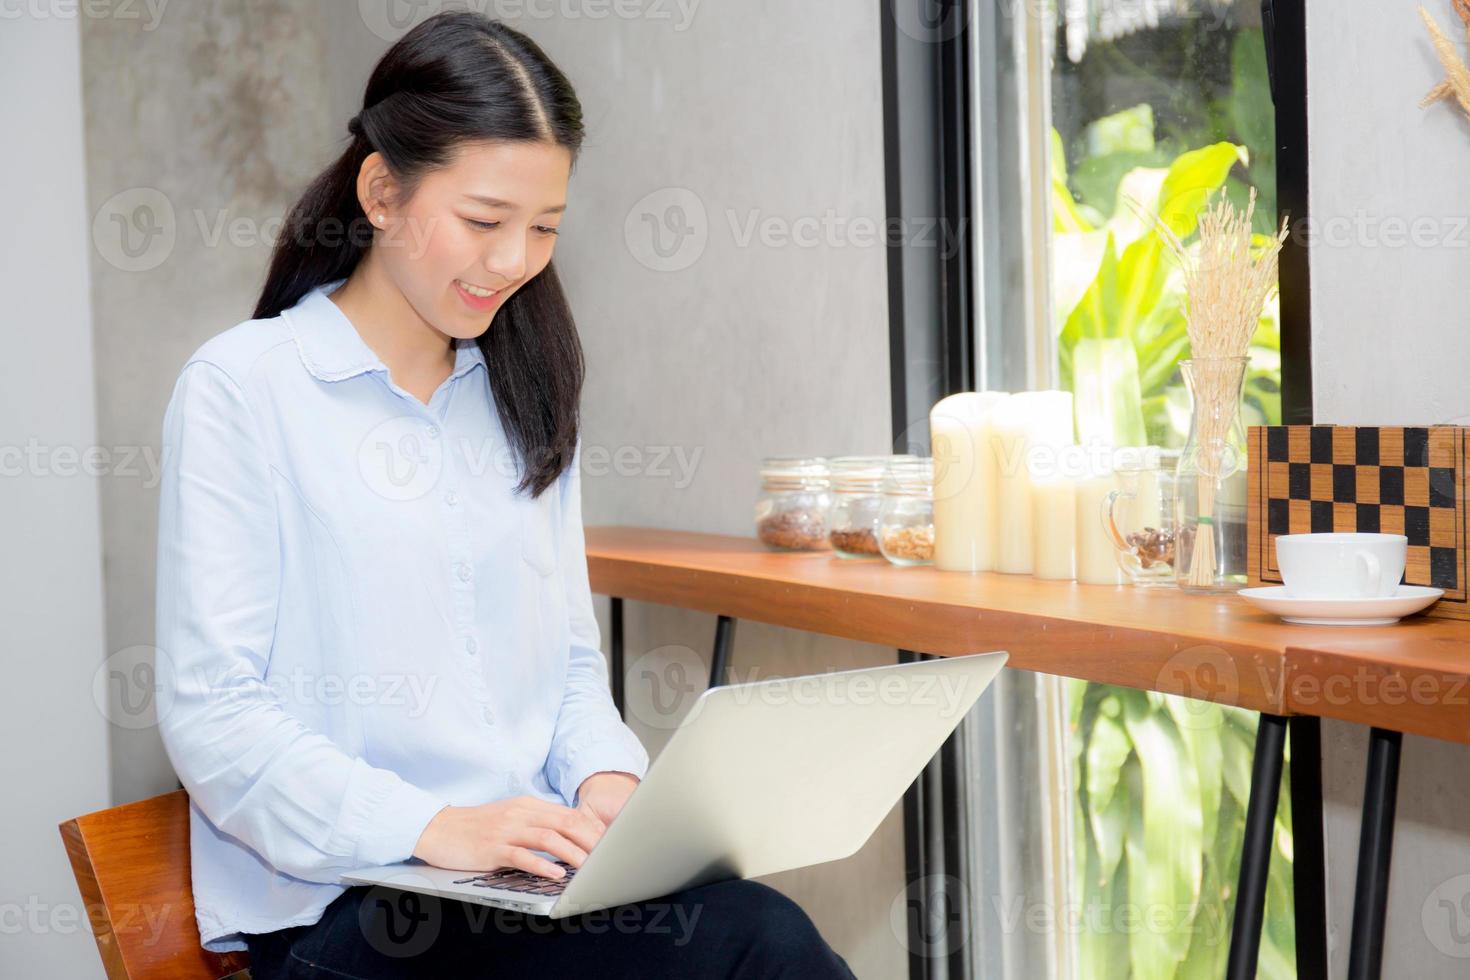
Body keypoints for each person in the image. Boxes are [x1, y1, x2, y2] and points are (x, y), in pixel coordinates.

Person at [154, 11, 856, 978]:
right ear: (381, 190)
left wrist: (611, 783)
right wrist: (436, 825)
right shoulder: (245, 389)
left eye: (544, 229)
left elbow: (566, 667)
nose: (513, 261)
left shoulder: (523, 391)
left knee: (746, 923)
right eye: (484, 221)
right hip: (348, 915)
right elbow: (213, 712)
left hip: (515, 891)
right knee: (753, 945)